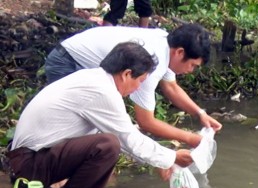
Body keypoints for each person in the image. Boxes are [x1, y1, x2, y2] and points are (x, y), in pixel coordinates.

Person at [6, 41, 193, 188]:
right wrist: (172, 156)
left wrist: (160, 159)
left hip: (25, 159)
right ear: (127, 74)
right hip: (28, 166)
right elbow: (126, 139)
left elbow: (124, 136)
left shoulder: (93, 78)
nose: (138, 88)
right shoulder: (102, 92)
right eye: (140, 81)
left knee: (107, 140)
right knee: (108, 146)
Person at [44, 24, 222, 149]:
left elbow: (171, 87)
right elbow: (146, 122)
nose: (191, 71)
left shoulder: (165, 45)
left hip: (81, 61)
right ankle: (49, 175)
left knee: (96, 129)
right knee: (72, 126)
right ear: (180, 52)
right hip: (68, 61)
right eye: (193, 65)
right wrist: (190, 138)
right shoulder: (153, 60)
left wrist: (200, 114)